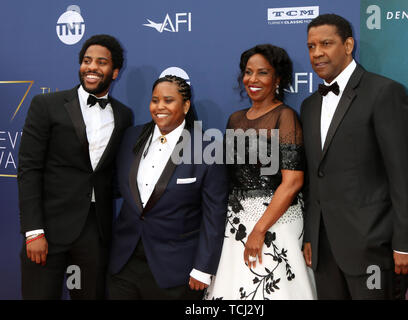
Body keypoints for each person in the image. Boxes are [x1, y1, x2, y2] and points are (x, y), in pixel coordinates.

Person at [299, 14, 408, 299]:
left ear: (348, 45)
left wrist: (406, 244)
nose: (317, 52)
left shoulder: (384, 93)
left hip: (374, 249)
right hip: (326, 250)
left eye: (326, 43)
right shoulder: (309, 106)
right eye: (310, 46)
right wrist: (311, 235)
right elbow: (314, 177)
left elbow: (404, 174)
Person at [17, 34, 133, 299]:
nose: (91, 67)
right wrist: (34, 231)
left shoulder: (123, 115)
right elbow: (29, 170)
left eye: (101, 62)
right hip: (48, 229)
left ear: (114, 72)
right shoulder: (46, 105)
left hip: (94, 231)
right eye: (86, 60)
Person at [205, 44, 317, 300]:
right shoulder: (234, 119)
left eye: (262, 73)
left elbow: (293, 181)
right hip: (237, 222)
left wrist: (259, 229)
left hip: (276, 220)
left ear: (278, 79)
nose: (252, 79)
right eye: (248, 72)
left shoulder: (286, 116)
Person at [108, 75, 228, 300]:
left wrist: (203, 268)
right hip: (124, 263)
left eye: (168, 100)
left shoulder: (208, 149)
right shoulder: (130, 137)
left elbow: (214, 216)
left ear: (186, 106)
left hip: (174, 270)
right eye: (155, 100)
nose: (159, 106)